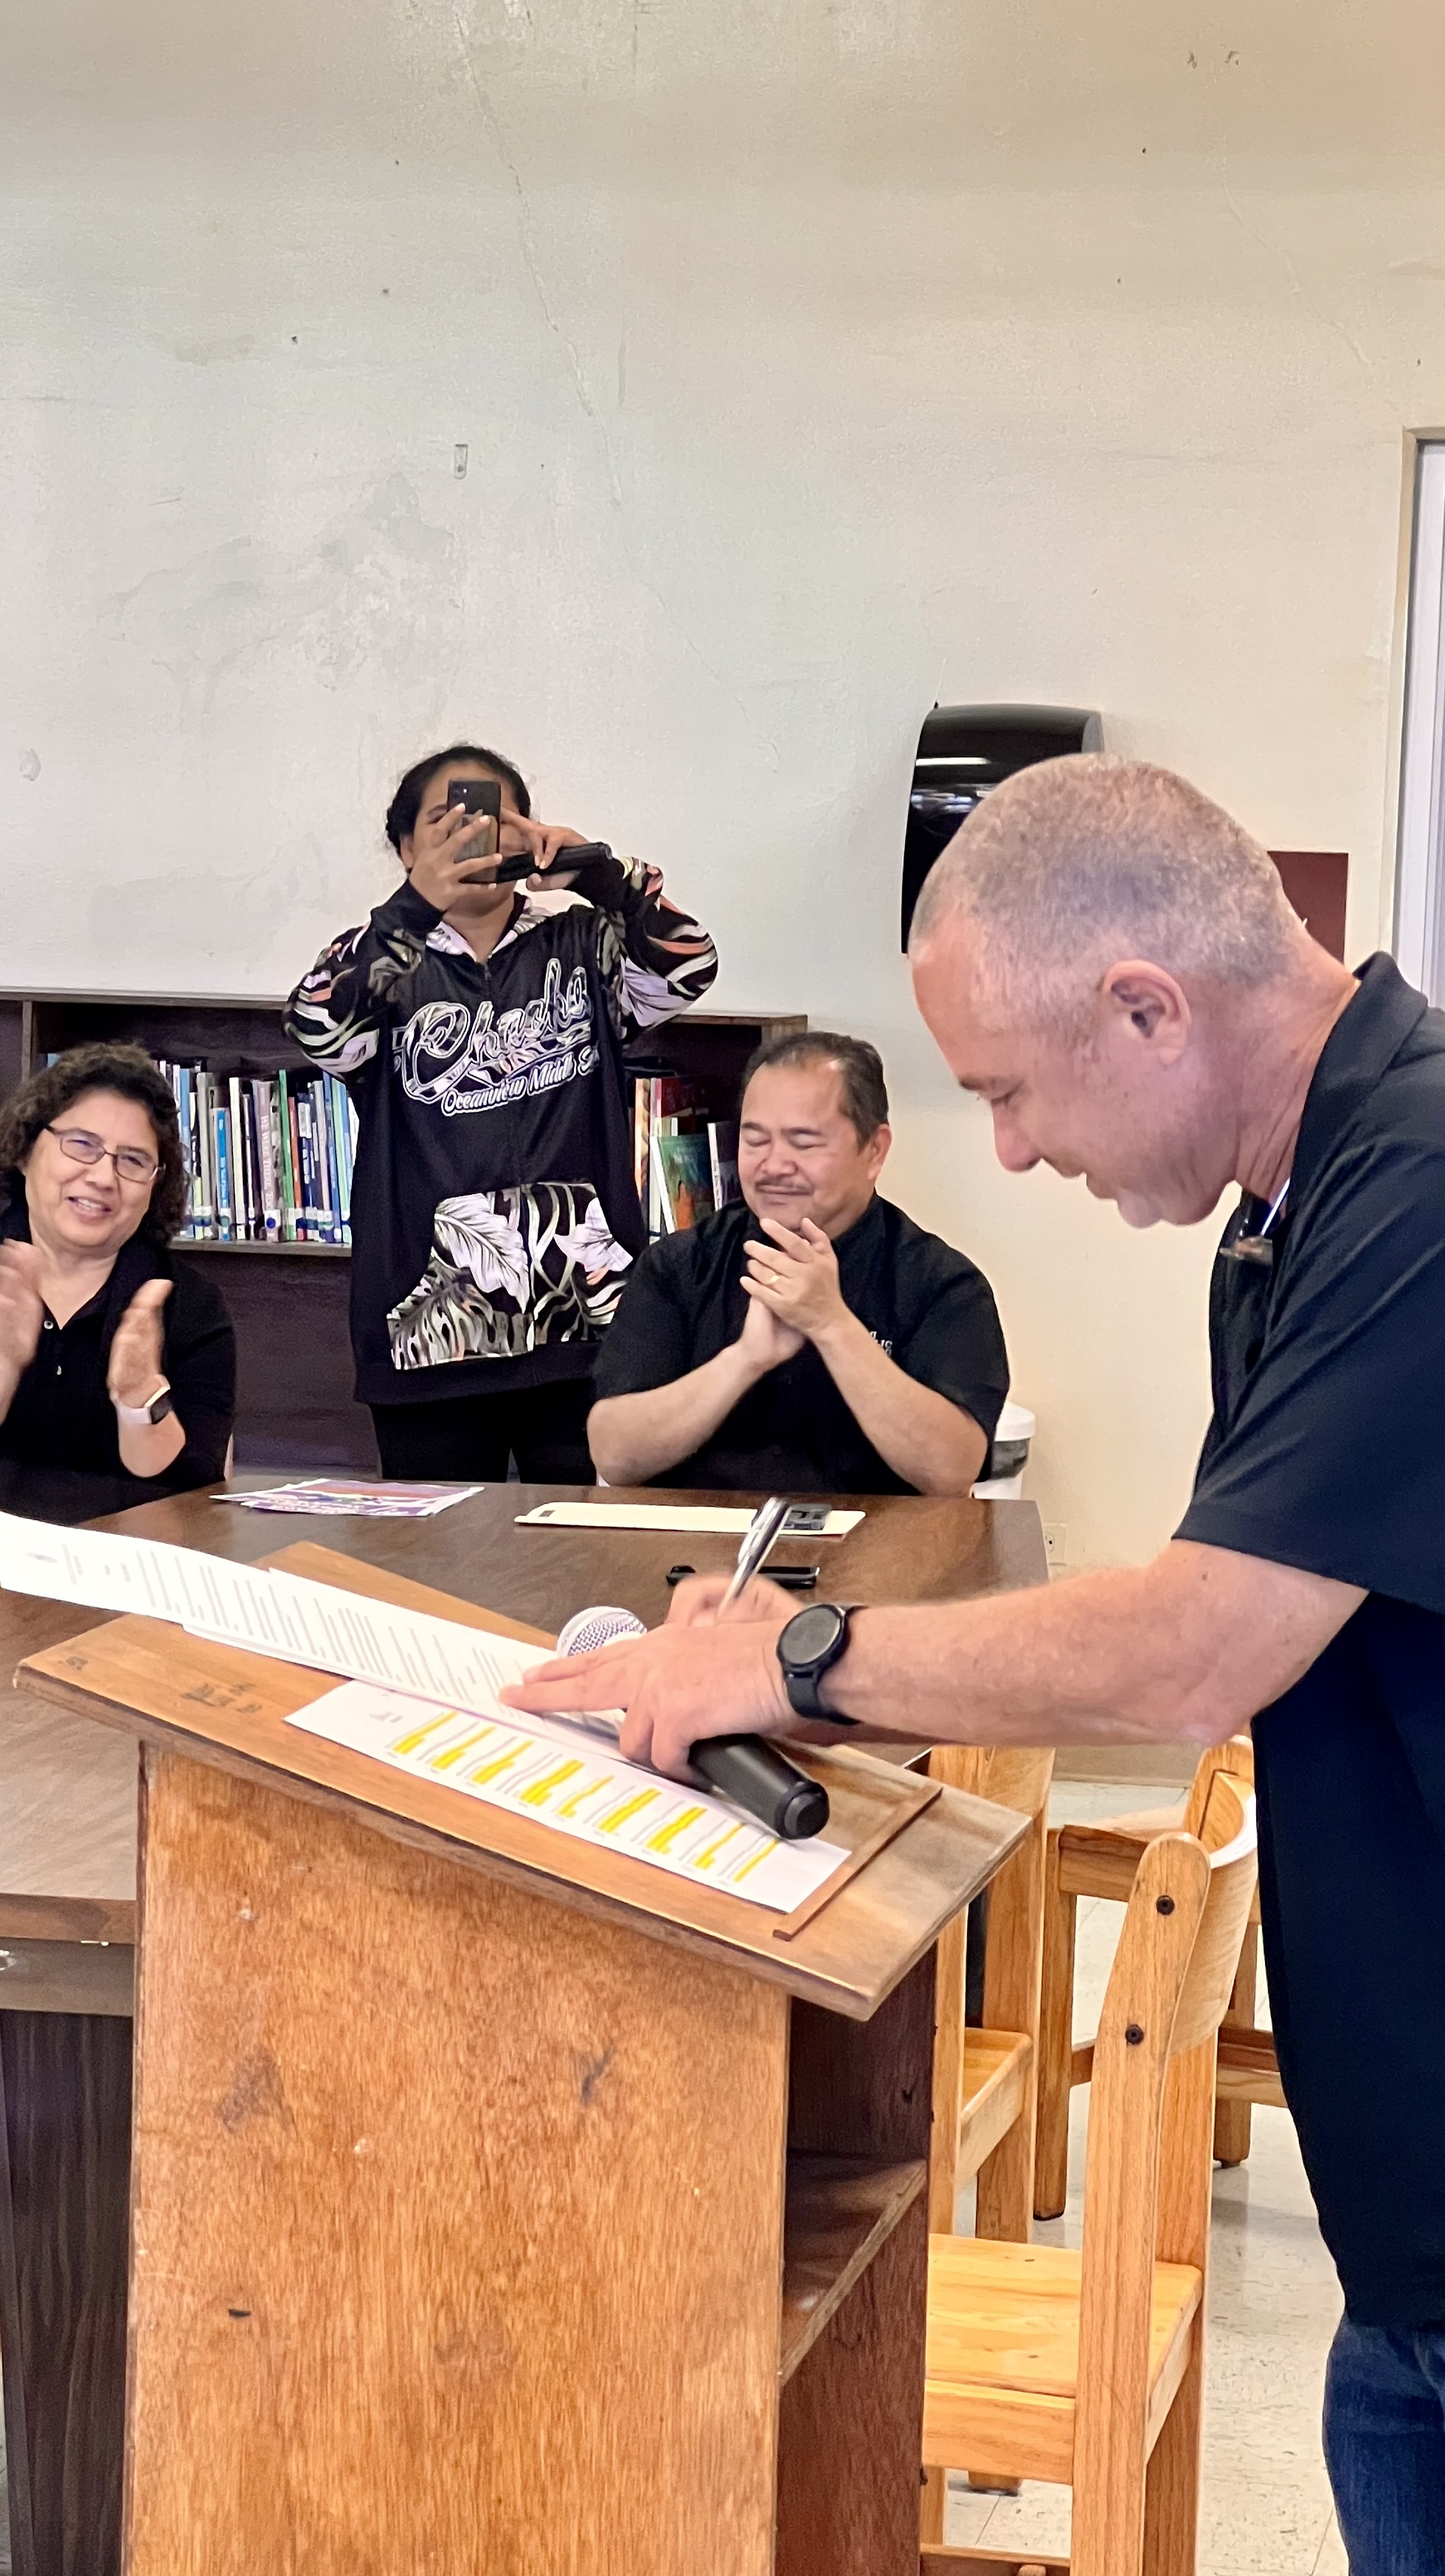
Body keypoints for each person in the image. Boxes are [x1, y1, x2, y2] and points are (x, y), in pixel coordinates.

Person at [508, 755, 1445, 2576]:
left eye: (1011, 1092)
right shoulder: (1286, 1210)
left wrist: (788, 1658)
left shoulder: (1412, 1187)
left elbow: (1197, 1639)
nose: (1012, 1149)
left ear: (1145, 1006)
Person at [284, 742, 717, 1482]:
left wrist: (599, 874)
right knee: (434, 1574)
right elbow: (316, 1029)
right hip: (432, 1335)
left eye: (490, 819)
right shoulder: (382, 961)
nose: (469, 839)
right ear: (404, 847)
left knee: (587, 1561)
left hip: (589, 1327)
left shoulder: (585, 942)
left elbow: (688, 965)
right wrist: (413, 909)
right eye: (443, 825)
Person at [0, 1042, 236, 1588]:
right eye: (82, 1145)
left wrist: (140, 1397)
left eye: (133, 1160)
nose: (104, 1177)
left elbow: (193, 1505)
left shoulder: (188, 1305)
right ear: (28, 1149)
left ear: (156, 1186)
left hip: (120, 1591)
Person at [588, 1030, 1008, 1493]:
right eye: (755, 1141)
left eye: (804, 1143)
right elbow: (614, 1454)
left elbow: (950, 1471)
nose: (774, 1165)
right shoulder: (680, 1266)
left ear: (875, 1151)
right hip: (701, 1554)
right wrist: (745, 1359)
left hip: (879, 1554)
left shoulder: (940, 1284)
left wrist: (831, 1323)